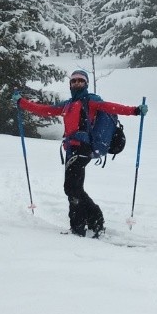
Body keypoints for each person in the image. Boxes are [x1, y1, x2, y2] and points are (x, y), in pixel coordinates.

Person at [14, 70, 147, 237]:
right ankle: (88, 222)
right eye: (74, 81)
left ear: (86, 84)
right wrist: (22, 103)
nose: (77, 83)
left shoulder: (90, 101)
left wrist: (135, 110)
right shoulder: (68, 104)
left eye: (80, 81)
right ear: (70, 84)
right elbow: (45, 109)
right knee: (74, 188)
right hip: (71, 149)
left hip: (82, 148)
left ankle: (87, 222)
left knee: (71, 188)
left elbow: (112, 107)